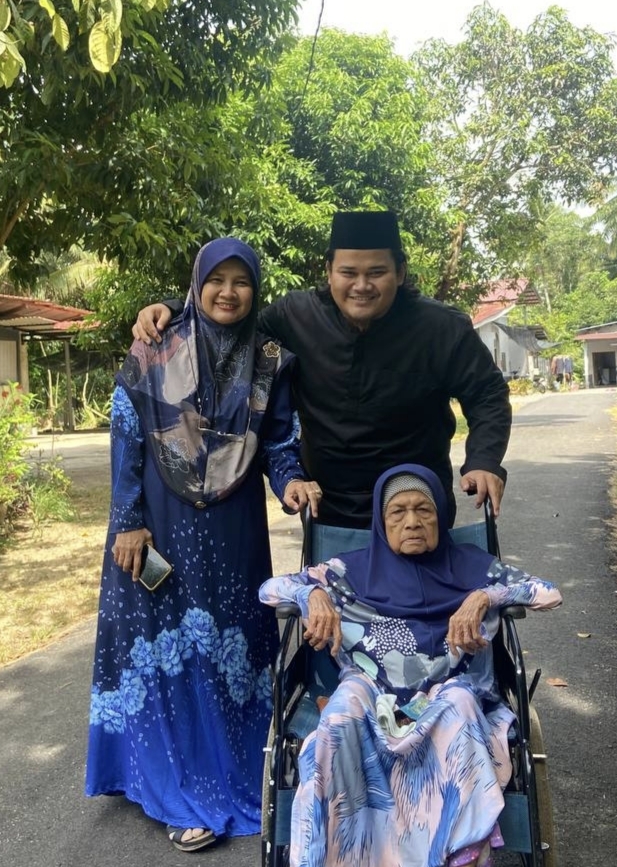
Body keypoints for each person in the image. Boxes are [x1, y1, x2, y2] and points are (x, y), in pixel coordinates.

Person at [85, 238, 321, 853]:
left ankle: (237, 768)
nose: (228, 292)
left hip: (233, 531)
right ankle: (178, 788)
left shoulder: (270, 361)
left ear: (255, 291)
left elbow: (277, 444)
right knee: (167, 651)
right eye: (217, 279)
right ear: (197, 284)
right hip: (156, 523)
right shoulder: (155, 344)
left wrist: (291, 482)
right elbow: (127, 431)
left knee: (228, 648)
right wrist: (127, 519)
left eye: (242, 281)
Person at [259, 463, 562, 867]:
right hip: (371, 696)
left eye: (424, 510)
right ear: (381, 522)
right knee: (341, 712)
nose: (412, 522)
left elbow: (548, 593)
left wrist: (485, 597)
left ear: (440, 515)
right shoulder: (349, 571)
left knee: (459, 702)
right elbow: (270, 589)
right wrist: (311, 595)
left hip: (446, 695)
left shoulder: (474, 566)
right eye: (398, 512)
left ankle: (451, 853)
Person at [131, 211, 511, 529]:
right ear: (329, 272)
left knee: (421, 598)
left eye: (376, 272)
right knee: (327, 600)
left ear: (400, 272)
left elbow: (488, 394)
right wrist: (174, 309)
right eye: (348, 272)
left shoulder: (441, 328)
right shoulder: (296, 316)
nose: (361, 286)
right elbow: (232, 325)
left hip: (415, 506)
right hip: (328, 509)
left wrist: (484, 460)